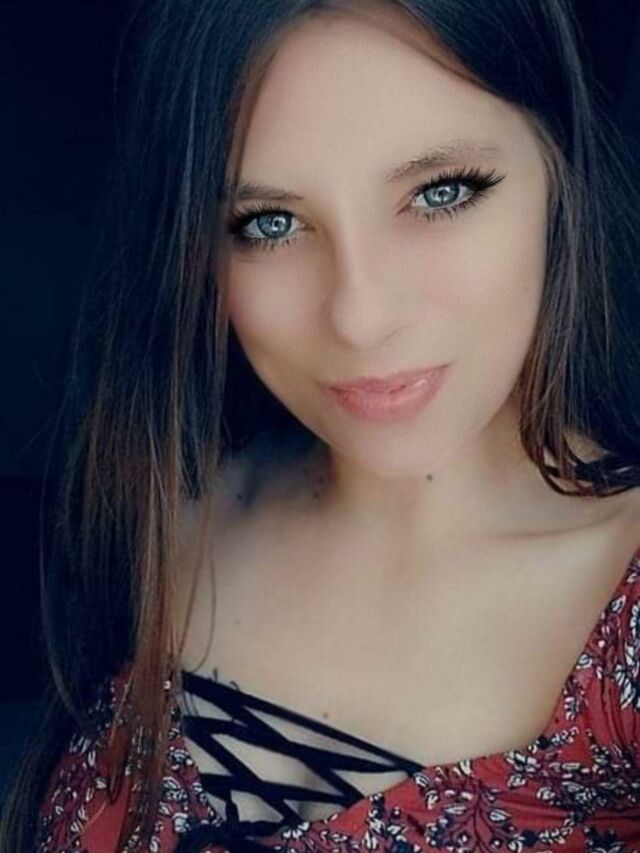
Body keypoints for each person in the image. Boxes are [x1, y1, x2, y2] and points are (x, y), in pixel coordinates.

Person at [2, 0, 640, 851]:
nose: (359, 316)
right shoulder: (162, 514)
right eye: (270, 223)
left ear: (560, 170)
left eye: (440, 192)